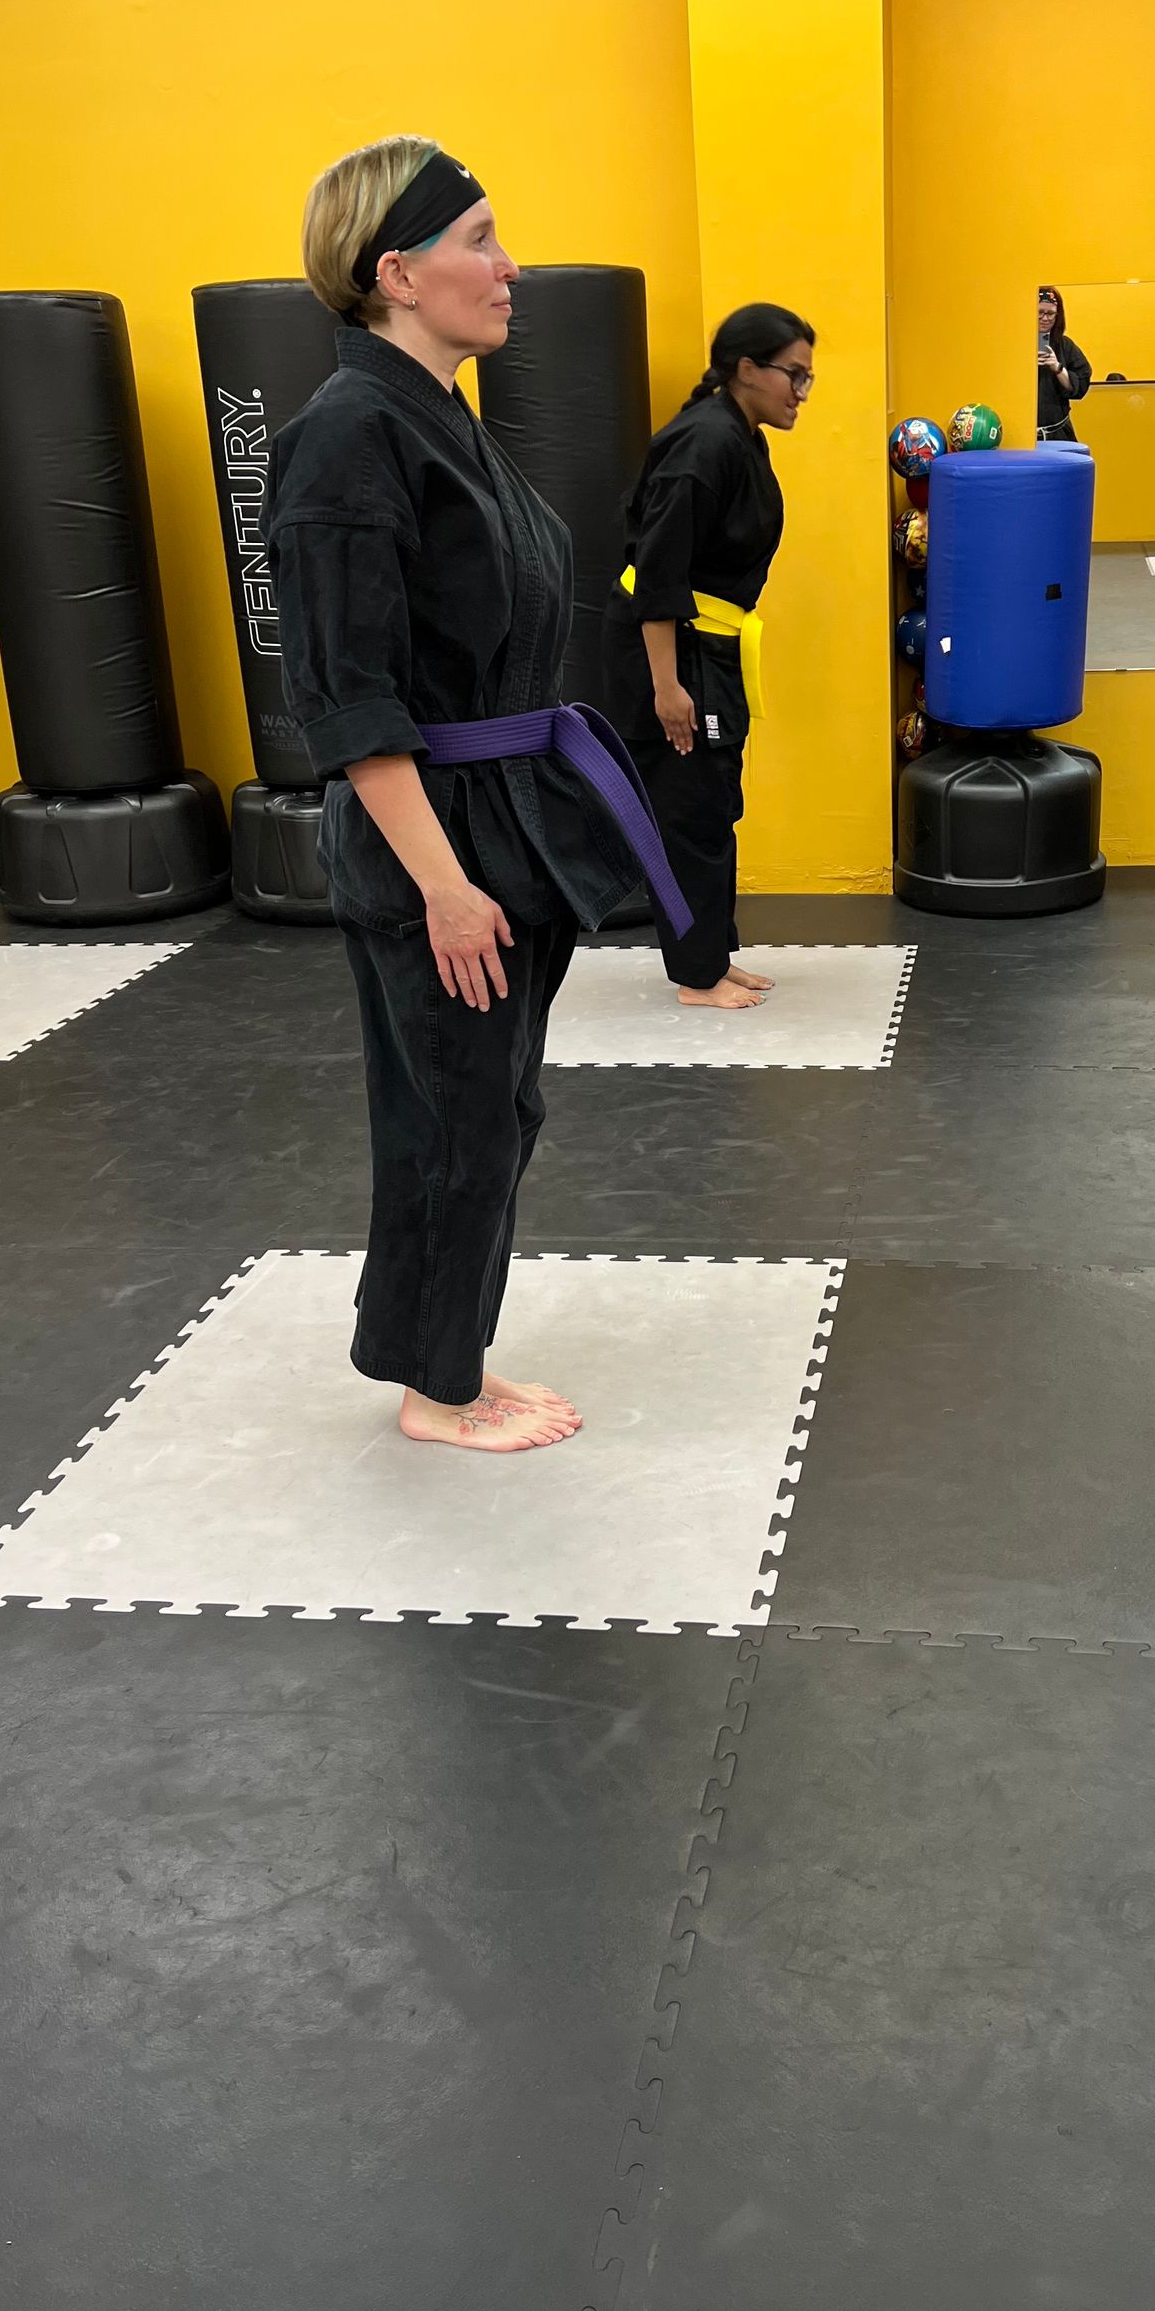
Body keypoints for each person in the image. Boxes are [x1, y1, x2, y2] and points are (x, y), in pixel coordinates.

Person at [268, 135, 683, 1454]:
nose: (509, 270)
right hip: (431, 846)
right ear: (397, 271)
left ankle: (435, 1353)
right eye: (481, 240)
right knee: (455, 1113)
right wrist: (444, 888)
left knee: (485, 1106)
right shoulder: (345, 438)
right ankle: (441, 1391)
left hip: (501, 817)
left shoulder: (439, 417)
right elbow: (350, 701)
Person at [604, 304, 815, 1009]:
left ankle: (713, 955)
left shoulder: (739, 436)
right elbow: (659, 575)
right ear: (746, 369)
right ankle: (696, 976)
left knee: (714, 801)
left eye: (808, 379)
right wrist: (667, 687)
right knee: (689, 809)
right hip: (672, 648)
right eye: (794, 375)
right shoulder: (704, 445)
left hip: (709, 644)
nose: (801, 393)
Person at [1037, 287, 1092, 443]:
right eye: (1040, 312)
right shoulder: (1013, 345)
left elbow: (1080, 386)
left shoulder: (1065, 345)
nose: (1045, 318)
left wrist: (1058, 368)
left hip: (1058, 435)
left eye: (1050, 314)